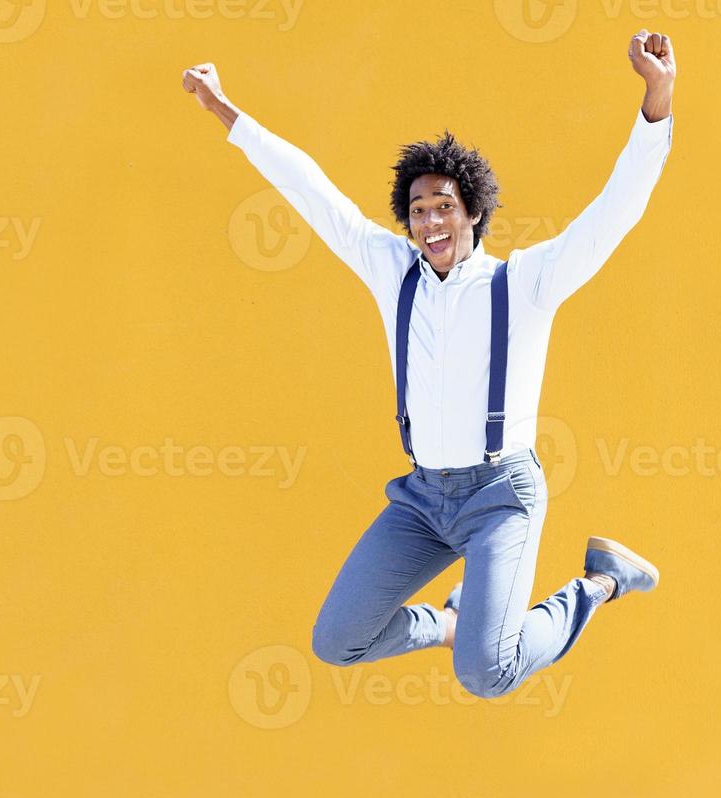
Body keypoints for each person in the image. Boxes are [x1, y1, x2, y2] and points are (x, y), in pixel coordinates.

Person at [182, 31, 676, 699]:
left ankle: (600, 583)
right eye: (418, 211)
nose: (431, 222)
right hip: (422, 500)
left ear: (472, 213)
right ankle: (447, 624)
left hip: (501, 497)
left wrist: (657, 96)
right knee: (337, 642)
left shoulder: (524, 283)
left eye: (444, 207)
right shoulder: (394, 274)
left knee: (487, 673)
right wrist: (221, 108)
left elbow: (613, 214)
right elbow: (311, 190)